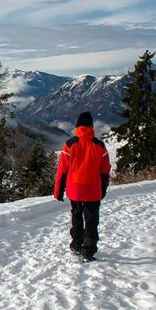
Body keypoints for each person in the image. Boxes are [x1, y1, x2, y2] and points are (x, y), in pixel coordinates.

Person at [53, 111, 111, 262]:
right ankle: (88, 251)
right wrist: (103, 188)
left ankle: (76, 244)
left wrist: (58, 191)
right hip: (93, 190)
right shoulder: (99, 145)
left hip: (75, 190)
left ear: (77, 126)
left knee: (77, 217)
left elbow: (62, 170)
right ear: (91, 126)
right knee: (91, 220)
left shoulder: (70, 144)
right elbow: (105, 171)